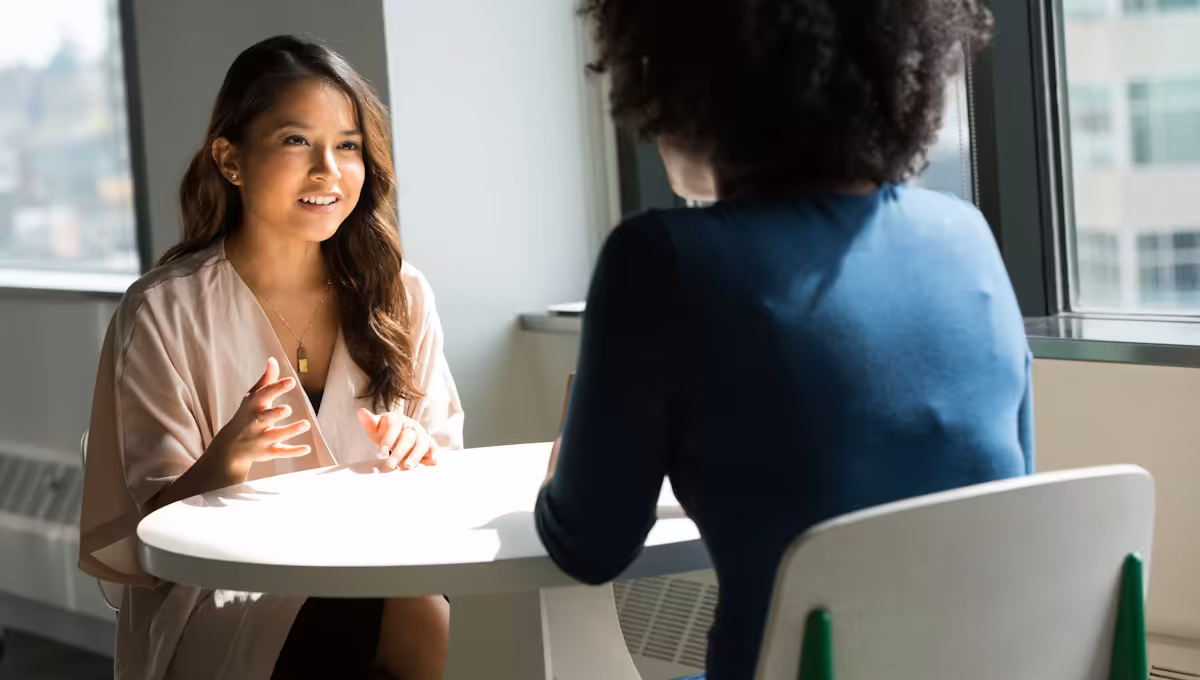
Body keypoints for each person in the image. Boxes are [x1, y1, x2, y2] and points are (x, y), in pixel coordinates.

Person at [535, 2, 1031, 679]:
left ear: (688, 76)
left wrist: (567, 469)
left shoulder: (660, 260)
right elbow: (1006, 498)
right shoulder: (966, 237)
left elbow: (590, 548)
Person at [78, 36, 463, 680]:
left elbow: (447, 472)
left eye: (347, 146)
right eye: (295, 142)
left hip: (381, 571)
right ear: (230, 160)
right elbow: (146, 542)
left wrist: (416, 448)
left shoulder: (401, 294)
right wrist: (220, 465)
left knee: (429, 605)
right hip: (219, 598)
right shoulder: (161, 313)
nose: (328, 172)